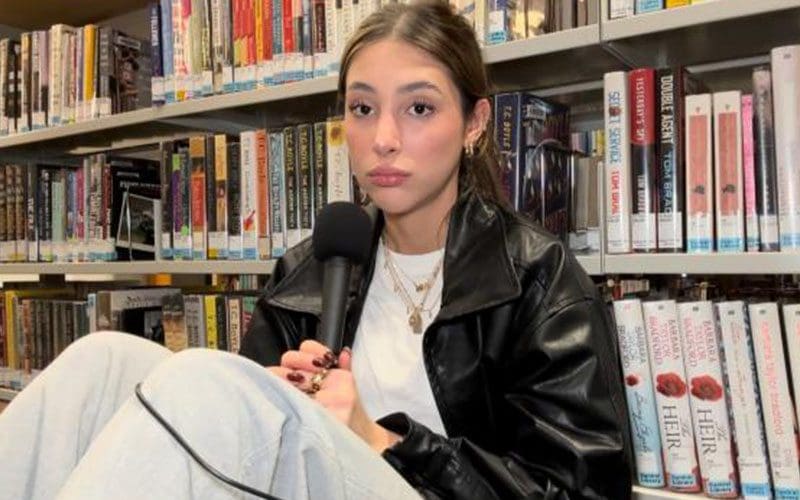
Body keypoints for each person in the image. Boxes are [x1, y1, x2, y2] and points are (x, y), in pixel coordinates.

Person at [0, 1, 631, 499]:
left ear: (474, 124)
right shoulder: (309, 269)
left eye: (418, 107)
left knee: (204, 379)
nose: (383, 138)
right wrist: (287, 398)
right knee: (103, 361)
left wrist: (382, 439)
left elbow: (581, 491)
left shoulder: (541, 279)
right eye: (362, 108)